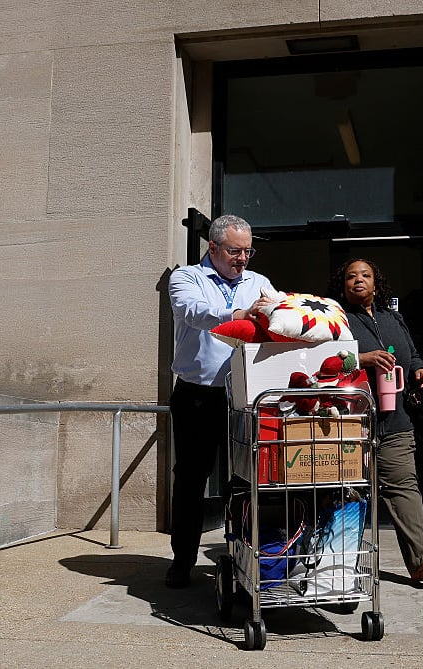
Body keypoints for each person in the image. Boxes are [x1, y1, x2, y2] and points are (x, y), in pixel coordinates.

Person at [165, 214, 275, 588]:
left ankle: (243, 556)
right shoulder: (186, 278)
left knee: (244, 480)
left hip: (244, 397)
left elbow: (276, 321)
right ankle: (182, 561)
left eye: (248, 251)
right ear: (212, 248)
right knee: (191, 480)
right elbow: (192, 312)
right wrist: (237, 314)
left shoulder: (259, 283)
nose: (242, 258)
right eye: (234, 251)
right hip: (197, 395)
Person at [329, 258, 423, 583]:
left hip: (396, 421)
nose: (358, 281)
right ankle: (335, 571)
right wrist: (361, 359)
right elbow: (322, 361)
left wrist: (421, 370)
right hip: (351, 425)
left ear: (376, 284)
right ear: (343, 286)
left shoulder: (393, 318)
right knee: (344, 494)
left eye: (365, 275)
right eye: (351, 276)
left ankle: (422, 560)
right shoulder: (337, 321)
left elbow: (413, 354)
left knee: (404, 487)